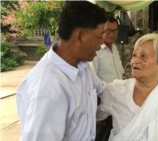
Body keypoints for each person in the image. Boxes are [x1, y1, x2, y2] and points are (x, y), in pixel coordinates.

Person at [16, 1, 107, 140]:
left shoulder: (83, 67)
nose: (102, 44)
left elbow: (104, 90)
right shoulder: (48, 88)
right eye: (99, 37)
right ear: (79, 37)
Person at [96, 34, 158, 141]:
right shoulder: (116, 90)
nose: (135, 61)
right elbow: (92, 112)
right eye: (134, 55)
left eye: (143, 56)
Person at [89, 16, 124, 141]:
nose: (112, 34)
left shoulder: (114, 49)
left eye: (115, 30)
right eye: (108, 30)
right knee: (101, 137)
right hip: (103, 108)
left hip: (116, 106)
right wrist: (98, 111)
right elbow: (91, 82)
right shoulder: (96, 51)